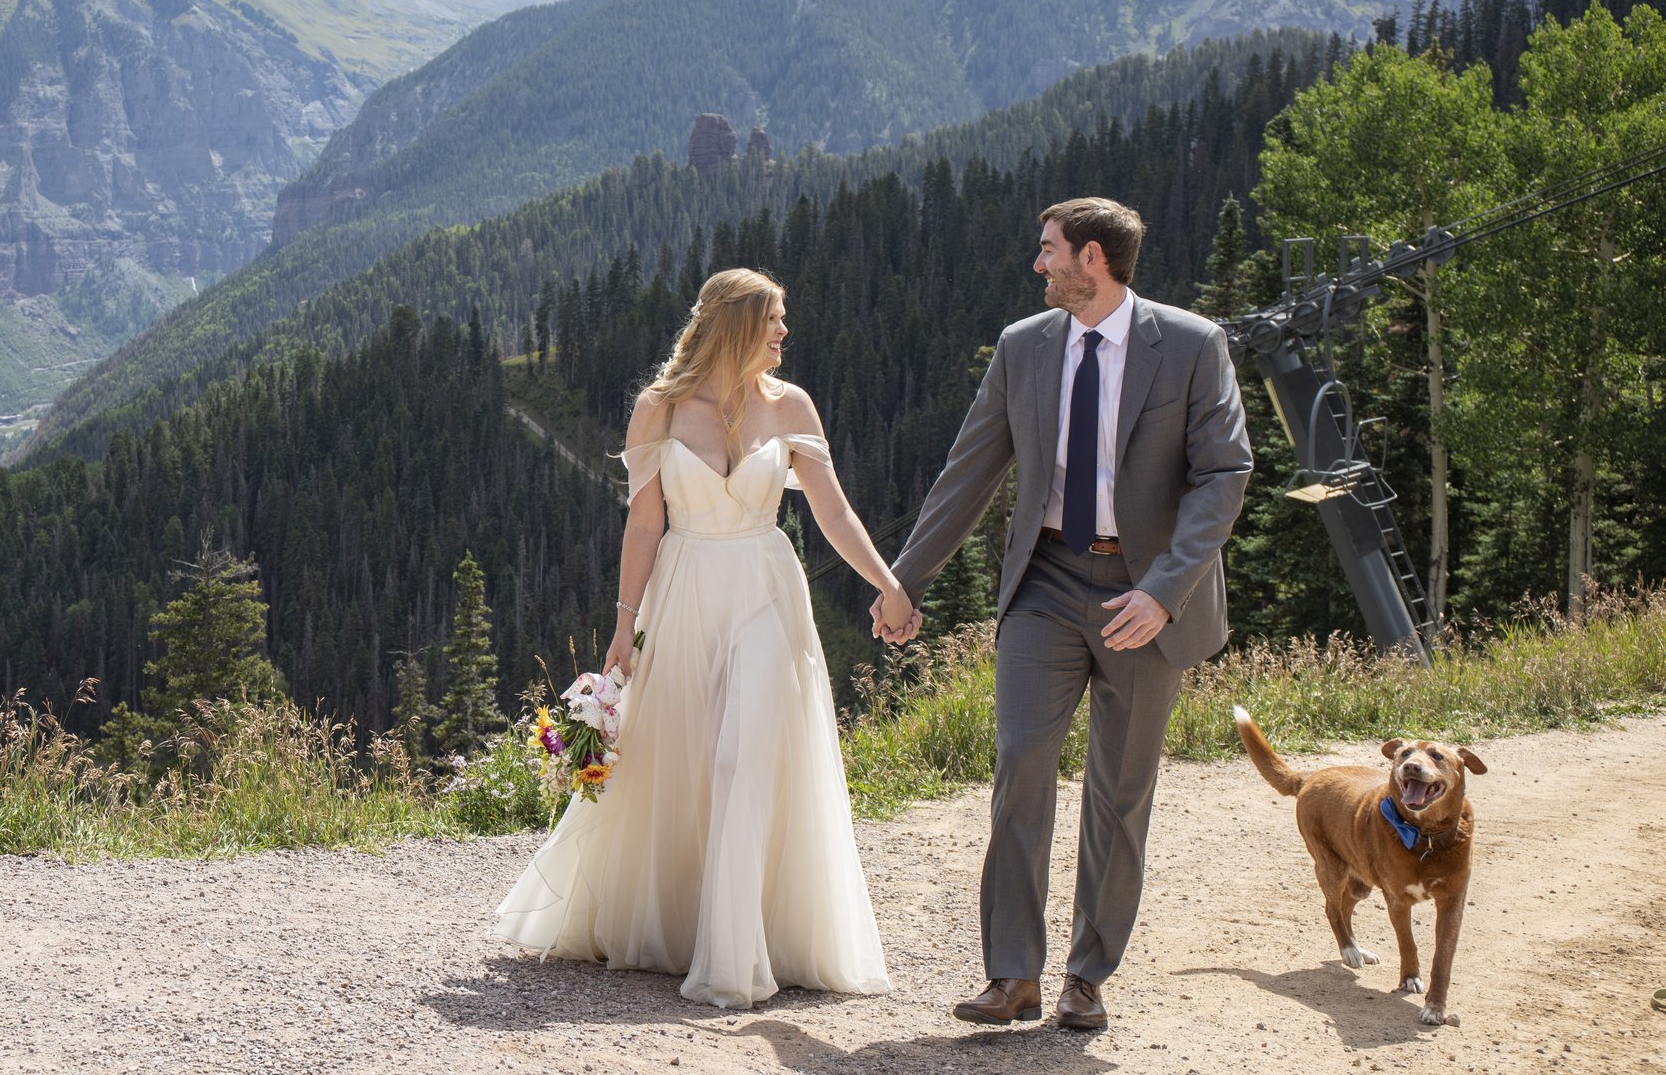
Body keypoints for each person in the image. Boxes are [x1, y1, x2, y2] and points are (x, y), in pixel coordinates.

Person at [878, 198, 1252, 1032]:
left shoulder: (1191, 345)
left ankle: (1087, 974)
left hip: (1146, 594)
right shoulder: (1024, 348)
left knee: (1120, 792)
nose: (1036, 265)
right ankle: (1012, 974)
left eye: (1046, 251)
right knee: (1020, 761)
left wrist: (1163, 590)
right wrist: (905, 579)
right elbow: (966, 472)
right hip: (1045, 580)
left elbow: (1224, 474)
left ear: (1091, 258)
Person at [493, 268, 899, 1009]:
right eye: (773, 319)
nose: (784, 332)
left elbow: (834, 515)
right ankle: (689, 925)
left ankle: (736, 954)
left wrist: (888, 581)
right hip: (682, 594)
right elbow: (644, 522)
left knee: (743, 755)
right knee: (684, 757)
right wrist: (623, 625)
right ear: (737, 324)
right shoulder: (659, 409)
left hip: (766, 592)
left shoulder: (792, 407)